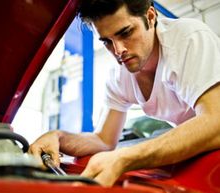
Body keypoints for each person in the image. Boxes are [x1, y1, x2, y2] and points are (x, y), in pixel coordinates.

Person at [28, 0, 220, 187]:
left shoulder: (189, 39)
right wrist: (58, 137)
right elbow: (103, 140)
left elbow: (215, 121)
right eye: (107, 42)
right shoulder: (119, 76)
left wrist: (125, 157)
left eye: (125, 32)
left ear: (151, 16)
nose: (119, 51)